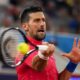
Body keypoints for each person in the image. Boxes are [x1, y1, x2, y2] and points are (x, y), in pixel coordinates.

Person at [16, 6, 80, 80]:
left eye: (43, 20)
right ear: (25, 26)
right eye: (37, 20)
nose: (42, 24)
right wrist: (44, 55)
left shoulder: (46, 49)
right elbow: (38, 67)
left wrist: (73, 63)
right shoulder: (22, 50)